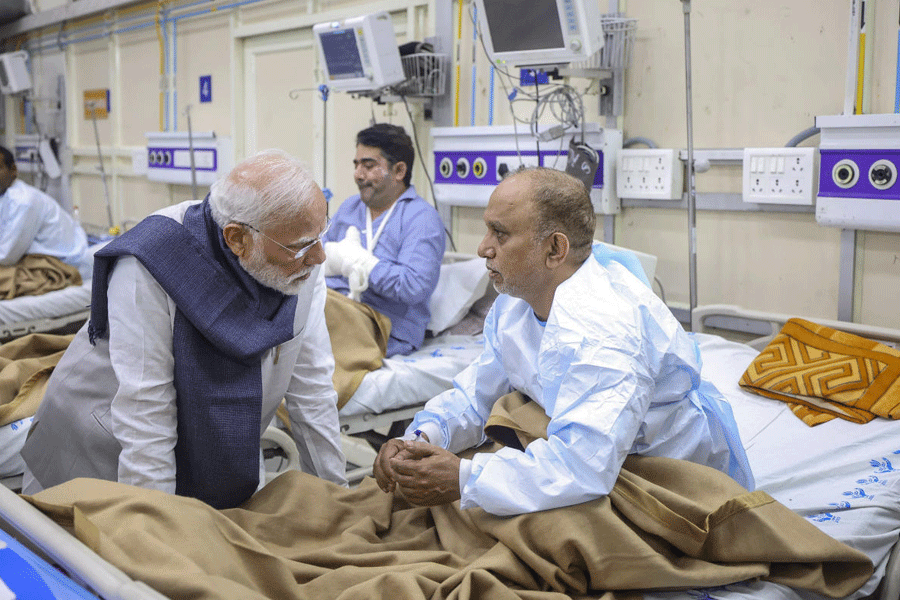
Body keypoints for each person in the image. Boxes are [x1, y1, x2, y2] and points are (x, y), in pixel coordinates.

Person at [373, 167, 754, 516]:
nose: (483, 248)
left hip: (655, 477)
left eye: (499, 233)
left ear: (555, 249)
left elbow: (583, 467)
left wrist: (462, 477)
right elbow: (477, 396)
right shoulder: (513, 306)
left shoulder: (606, 331)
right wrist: (420, 437)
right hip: (583, 460)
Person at [21, 149, 348, 509]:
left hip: (222, 450)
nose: (319, 257)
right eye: (302, 245)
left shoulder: (302, 259)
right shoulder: (152, 263)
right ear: (237, 239)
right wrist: (160, 535)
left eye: (321, 236)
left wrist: (336, 498)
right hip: (102, 454)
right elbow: (146, 417)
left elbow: (313, 392)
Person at [322, 123, 445, 357]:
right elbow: (317, 260)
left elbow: (413, 287)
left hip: (386, 327)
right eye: (356, 165)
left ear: (399, 171)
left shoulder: (421, 219)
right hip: (337, 309)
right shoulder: (351, 208)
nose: (358, 174)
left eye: (369, 166)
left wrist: (362, 264)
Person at [0, 144, 91, 280]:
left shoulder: (23, 201)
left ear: (13, 170)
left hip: (64, 262)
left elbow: (6, 257)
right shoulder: (5, 196)